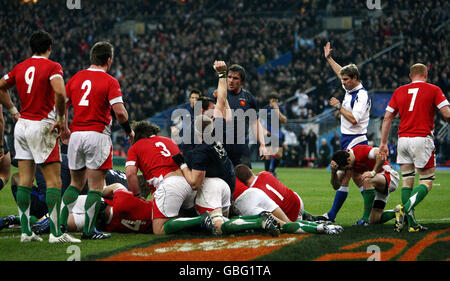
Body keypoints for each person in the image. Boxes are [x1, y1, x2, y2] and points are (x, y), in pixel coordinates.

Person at [0, 30, 78, 243]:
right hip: (42, 126)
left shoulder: (20, 66)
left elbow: (1, 86)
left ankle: (26, 232)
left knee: (25, 179)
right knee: (54, 182)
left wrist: (13, 110)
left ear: (31, 48)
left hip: (22, 125)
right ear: (49, 47)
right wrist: (61, 119)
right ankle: (56, 233)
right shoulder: (53, 66)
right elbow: (61, 93)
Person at [62, 41, 134, 240]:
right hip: (97, 134)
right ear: (109, 60)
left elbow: (62, 104)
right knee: (96, 186)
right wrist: (128, 131)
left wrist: (64, 126)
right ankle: (89, 231)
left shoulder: (76, 78)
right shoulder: (110, 81)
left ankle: (60, 225)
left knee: (75, 183)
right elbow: (120, 113)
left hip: (76, 135)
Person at [379, 63, 450, 232]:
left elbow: (387, 117)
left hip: (402, 139)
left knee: (407, 181)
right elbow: (447, 114)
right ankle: (404, 208)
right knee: (426, 181)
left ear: (410, 76)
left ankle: (412, 225)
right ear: (426, 74)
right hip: (421, 138)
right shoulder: (433, 89)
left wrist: (383, 143)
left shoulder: (399, 91)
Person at [317, 41, 372, 223]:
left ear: (355, 78)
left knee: (346, 175)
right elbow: (340, 72)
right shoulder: (350, 88)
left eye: (346, 80)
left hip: (356, 140)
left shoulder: (361, 95)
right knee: (357, 177)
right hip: (347, 138)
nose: (343, 82)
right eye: (342, 80)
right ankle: (372, 212)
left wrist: (339, 106)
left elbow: (354, 119)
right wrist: (329, 59)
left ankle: (331, 215)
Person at [233, 164, 343, 235]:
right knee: (287, 195)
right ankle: (311, 218)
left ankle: (317, 225)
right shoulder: (264, 174)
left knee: (284, 225)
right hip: (298, 202)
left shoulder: (254, 191)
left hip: (288, 214)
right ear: (251, 171)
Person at [209, 64, 267, 168]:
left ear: (242, 81)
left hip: (240, 145)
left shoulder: (249, 99)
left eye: (235, 78)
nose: (231, 80)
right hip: (221, 144)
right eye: (229, 77)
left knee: (246, 177)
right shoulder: (218, 95)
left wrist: (262, 144)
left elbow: (255, 123)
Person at [330, 145, 400, 226]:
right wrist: (333, 172)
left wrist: (373, 172)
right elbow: (336, 186)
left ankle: (364, 219)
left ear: (348, 160)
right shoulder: (344, 159)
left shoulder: (360, 151)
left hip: (390, 176)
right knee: (374, 219)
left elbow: (381, 154)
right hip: (378, 182)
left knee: (367, 180)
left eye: (347, 168)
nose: (348, 170)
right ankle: (400, 212)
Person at [261, 92, 287, 177]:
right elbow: (259, 122)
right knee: (267, 154)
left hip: (277, 134)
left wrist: (277, 111)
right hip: (268, 134)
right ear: (270, 100)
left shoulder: (281, 109)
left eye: (276, 101)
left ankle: (273, 170)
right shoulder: (265, 109)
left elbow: (284, 121)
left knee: (279, 155)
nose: (274, 102)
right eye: (273, 100)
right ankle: (267, 174)